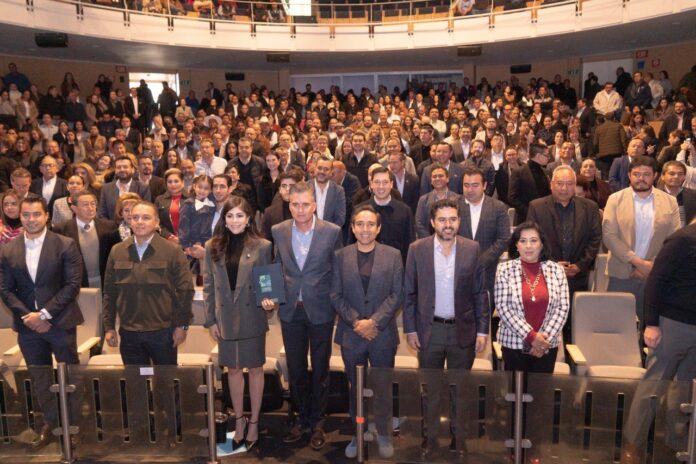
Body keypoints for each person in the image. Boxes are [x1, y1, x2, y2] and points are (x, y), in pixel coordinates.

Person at [402, 198, 488, 453]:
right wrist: (410, 329)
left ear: (459, 221)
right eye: (442, 220)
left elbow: (479, 293)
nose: (447, 224)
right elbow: (409, 293)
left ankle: (458, 440)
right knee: (430, 390)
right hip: (430, 331)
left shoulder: (472, 249)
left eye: (452, 219)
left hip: (463, 330)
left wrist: (482, 330)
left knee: (460, 391)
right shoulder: (417, 249)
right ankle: (429, 439)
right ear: (432, 222)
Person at [0, 196, 83, 449]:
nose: (31, 219)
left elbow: (72, 285)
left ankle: (72, 426)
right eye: (26, 215)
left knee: (69, 377)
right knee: (40, 379)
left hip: (60, 323)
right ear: (20, 217)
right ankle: (52, 424)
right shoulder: (8, 249)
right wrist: (30, 317)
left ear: (46, 216)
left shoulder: (65, 244)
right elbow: (5, 289)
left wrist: (45, 314)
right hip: (28, 327)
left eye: (36, 214)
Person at [271, 182, 342, 450]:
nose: (300, 210)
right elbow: (275, 266)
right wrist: (271, 295)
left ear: (314, 206)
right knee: (296, 368)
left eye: (305, 205)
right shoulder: (278, 230)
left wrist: (335, 302)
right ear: (289, 205)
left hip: (321, 308)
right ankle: (301, 418)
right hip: (290, 310)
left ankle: (318, 421)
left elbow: (338, 270)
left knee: (321, 368)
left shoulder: (332, 231)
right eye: (295, 205)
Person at [330, 205, 403, 459]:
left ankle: (383, 433)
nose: (365, 229)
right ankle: (358, 432)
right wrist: (357, 322)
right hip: (352, 335)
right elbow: (335, 295)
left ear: (378, 228)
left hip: (382, 334)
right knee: (356, 388)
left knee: (382, 386)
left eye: (371, 224)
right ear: (352, 228)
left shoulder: (393, 255)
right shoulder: (340, 256)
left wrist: (374, 322)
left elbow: (397, 294)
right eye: (360, 224)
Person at [203, 196, 275, 452]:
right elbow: (209, 286)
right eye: (230, 216)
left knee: (255, 369)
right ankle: (240, 420)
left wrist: (270, 302)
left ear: (248, 219)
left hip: (252, 316)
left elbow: (267, 282)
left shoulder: (262, 246)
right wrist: (210, 320)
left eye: (240, 216)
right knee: (232, 370)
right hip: (224, 320)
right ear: (224, 219)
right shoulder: (212, 246)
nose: (235, 221)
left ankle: (254, 421)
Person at [623, 222, 696, 464]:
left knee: (686, 392)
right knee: (653, 387)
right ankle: (633, 445)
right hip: (671, 325)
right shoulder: (682, 239)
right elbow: (656, 280)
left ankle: (678, 446)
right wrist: (651, 323)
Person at [102, 201, 194, 365]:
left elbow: (185, 290)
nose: (139, 222)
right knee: (134, 380)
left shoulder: (172, 250)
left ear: (156, 222)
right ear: (129, 221)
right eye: (135, 217)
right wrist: (109, 327)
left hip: (163, 331)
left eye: (146, 218)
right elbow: (109, 292)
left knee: (165, 379)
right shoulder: (117, 251)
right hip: (129, 332)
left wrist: (182, 326)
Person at [602, 156, 680, 343]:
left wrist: (651, 265)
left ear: (655, 176)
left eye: (646, 174)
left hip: (655, 275)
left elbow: (673, 239)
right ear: (629, 175)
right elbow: (609, 236)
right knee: (617, 326)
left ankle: (645, 360)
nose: (641, 178)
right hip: (621, 273)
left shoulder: (670, 202)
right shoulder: (615, 199)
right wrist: (638, 263)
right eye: (636, 174)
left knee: (651, 328)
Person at [526, 166, 602, 341]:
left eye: (569, 184)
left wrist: (581, 265)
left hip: (577, 276)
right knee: (544, 324)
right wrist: (551, 265)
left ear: (575, 185)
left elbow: (595, 239)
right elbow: (532, 240)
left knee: (573, 325)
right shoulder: (537, 206)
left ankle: (570, 355)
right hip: (545, 277)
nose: (564, 188)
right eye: (560, 183)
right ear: (552, 184)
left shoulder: (590, 207)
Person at [495, 222, 569, 372]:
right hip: (514, 344)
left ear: (542, 244)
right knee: (515, 387)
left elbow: (563, 308)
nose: (528, 246)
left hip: (547, 345)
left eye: (534, 240)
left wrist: (542, 341)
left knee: (542, 387)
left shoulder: (557, 270)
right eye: (523, 241)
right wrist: (531, 337)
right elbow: (503, 308)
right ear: (516, 245)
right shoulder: (504, 269)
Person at [458, 167, 511, 305]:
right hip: (458, 270)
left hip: (488, 271)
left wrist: (481, 261)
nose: (470, 189)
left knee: (484, 312)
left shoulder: (498, 207)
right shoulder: (454, 206)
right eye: (466, 185)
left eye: (475, 185)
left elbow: (503, 238)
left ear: (485, 185)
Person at [54, 190, 117, 288]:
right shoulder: (62, 229)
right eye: (85, 205)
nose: (90, 208)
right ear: (74, 208)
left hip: (104, 281)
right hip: (77, 283)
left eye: (93, 204)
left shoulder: (109, 226)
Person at [355, 167, 414, 263]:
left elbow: (410, 244)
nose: (381, 186)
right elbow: (352, 244)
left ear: (391, 184)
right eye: (377, 182)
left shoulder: (404, 211)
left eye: (385, 182)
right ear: (371, 184)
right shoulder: (359, 211)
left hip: (396, 266)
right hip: (365, 264)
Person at [97, 155, 151, 220]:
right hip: (111, 225)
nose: (122, 169)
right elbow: (102, 213)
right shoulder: (106, 188)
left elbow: (146, 211)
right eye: (119, 167)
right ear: (115, 170)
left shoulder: (143, 188)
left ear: (132, 169)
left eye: (125, 167)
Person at [508, 143, 552, 224]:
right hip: (525, 218)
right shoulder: (518, 172)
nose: (549, 158)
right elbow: (512, 197)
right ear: (538, 156)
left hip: (545, 217)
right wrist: (529, 211)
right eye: (547, 155)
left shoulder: (546, 172)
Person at [415, 164, 459, 239]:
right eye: (434, 176)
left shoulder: (458, 199)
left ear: (447, 179)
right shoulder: (423, 200)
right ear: (431, 181)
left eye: (441, 176)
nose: (437, 178)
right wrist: (432, 240)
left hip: (453, 239)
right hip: (429, 241)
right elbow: (419, 223)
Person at [312, 155, 346, 229]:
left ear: (331, 172)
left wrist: (327, 233)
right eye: (319, 168)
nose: (322, 171)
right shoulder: (305, 188)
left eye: (326, 169)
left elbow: (340, 219)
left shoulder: (338, 191)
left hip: (330, 234)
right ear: (314, 169)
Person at [154, 168, 190, 241]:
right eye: (169, 182)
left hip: (189, 240)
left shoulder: (191, 199)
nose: (173, 184)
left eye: (176, 181)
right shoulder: (159, 200)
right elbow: (156, 221)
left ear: (182, 182)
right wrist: (169, 236)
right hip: (165, 240)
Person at [659, 160, 696, 227]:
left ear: (684, 177)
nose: (676, 177)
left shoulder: (693, 195)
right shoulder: (655, 196)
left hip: (686, 232)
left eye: (680, 174)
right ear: (662, 176)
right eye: (672, 174)